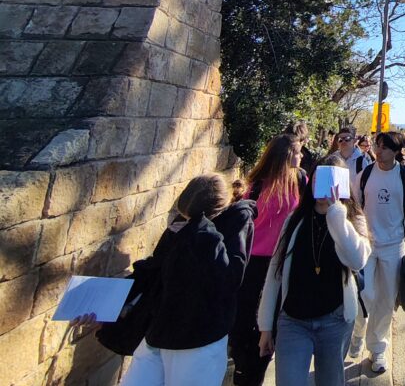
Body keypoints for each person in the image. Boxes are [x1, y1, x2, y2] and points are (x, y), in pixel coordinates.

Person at [121, 174, 256, 386]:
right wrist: (110, 303)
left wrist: (201, 231)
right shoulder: (183, 223)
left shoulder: (235, 222)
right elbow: (155, 268)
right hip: (160, 333)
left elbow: (228, 279)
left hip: (200, 340)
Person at [257, 163, 371, 386]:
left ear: (342, 183)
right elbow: (275, 273)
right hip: (293, 321)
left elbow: (357, 261)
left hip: (335, 322)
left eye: (330, 180)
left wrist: (336, 214)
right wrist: (266, 327)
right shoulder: (295, 220)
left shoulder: (353, 219)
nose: (322, 186)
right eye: (318, 179)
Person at [230, 135, 307, 386]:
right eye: (298, 152)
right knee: (248, 321)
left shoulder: (298, 180)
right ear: (287, 155)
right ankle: (244, 368)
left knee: (267, 323)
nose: (302, 156)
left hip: (280, 262)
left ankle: (252, 370)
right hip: (255, 263)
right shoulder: (256, 185)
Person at [349, 131, 405, 374]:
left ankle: (378, 349)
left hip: (394, 246)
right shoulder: (365, 174)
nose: (378, 151)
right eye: (377, 146)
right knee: (363, 293)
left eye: (384, 148)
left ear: (396, 151)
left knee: (386, 299)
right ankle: (358, 332)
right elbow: (353, 206)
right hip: (366, 244)